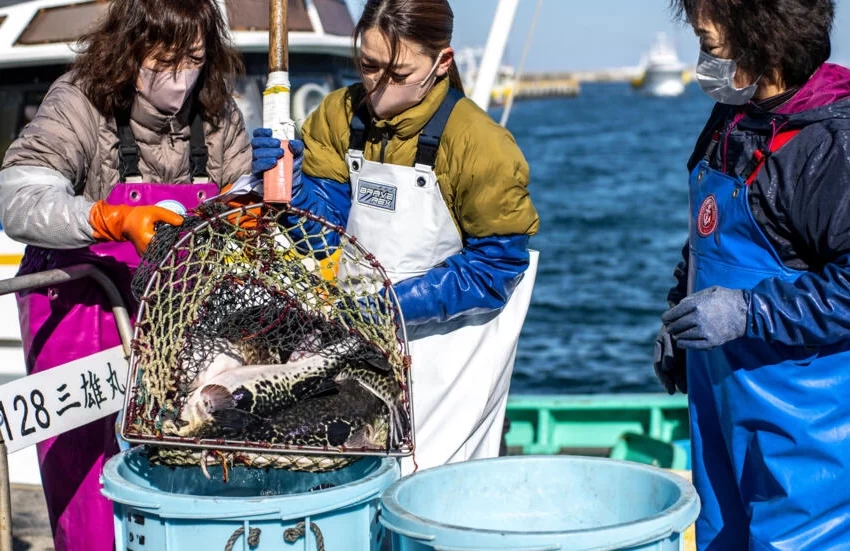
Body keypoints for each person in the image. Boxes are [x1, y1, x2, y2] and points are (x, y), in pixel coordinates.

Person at [0, 1, 251, 549]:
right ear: (130, 48)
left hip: (183, 317)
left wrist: (251, 210)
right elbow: (17, 197)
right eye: (165, 59)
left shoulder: (219, 111)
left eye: (194, 59)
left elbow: (241, 191)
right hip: (81, 311)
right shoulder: (78, 101)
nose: (180, 78)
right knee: (90, 496)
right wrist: (106, 217)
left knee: (194, 475)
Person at [252, 0, 539, 473]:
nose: (379, 84)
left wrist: (393, 305)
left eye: (400, 72)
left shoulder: (482, 146)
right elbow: (323, 237)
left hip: (446, 358)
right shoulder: (338, 116)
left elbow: (495, 269)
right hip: (353, 338)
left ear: (442, 62)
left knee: (432, 491)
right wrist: (293, 188)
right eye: (368, 65)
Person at [653, 0, 850, 548]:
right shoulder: (733, 116)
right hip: (720, 400)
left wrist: (749, 311)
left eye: (711, 47)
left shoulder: (830, 144)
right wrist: (679, 313)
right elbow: (707, 232)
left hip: (804, 427)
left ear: (765, 37)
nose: (704, 62)